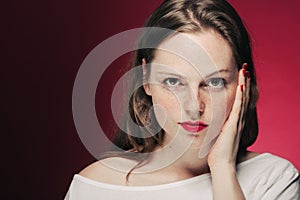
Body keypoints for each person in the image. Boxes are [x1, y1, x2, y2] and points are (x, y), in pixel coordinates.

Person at [65, 0, 300, 199]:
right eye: (173, 82)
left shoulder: (274, 178)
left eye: (215, 82)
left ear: (242, 83)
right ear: (145, 78)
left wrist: (222, 167)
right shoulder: (93, 186)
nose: (194, 106)